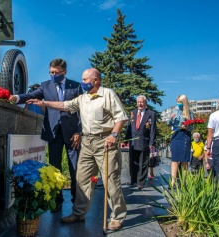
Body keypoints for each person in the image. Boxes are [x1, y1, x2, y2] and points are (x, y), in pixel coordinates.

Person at [27, 68, 128, 231]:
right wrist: (44, 102)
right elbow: (64, 105)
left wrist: (114, 135)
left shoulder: (108, 94)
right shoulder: (83, 98)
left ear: (95, 80)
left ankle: (118, 216)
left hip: (105, 142)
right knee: (82, 179)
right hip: (88, 143)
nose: (82, 83)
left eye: (85, 80)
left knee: (111, 180)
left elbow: (121, 117)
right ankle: (79, 213)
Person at [9, 58, 83, 212]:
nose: (53, 75)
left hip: (72, 135)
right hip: (53, 132)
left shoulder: (76, 87)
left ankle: (77, 201)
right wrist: (16, 98)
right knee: (55, 168)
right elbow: (31, 95)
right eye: (51, 72)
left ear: (64, 72)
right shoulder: (45, 86)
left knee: (75, 168)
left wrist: (79, 131)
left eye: (56, 73)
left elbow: (83, 111)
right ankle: (57, 200)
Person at [124, 95, 156, 189]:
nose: (140, 104)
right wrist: (126, 139)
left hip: (144, 141)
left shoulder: (151, 113)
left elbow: (153, 129)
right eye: (138, 102)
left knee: (143, 162)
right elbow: (129, 127)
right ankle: (133, 180)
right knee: (133, 162)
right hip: (133, 142)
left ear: (145, 103)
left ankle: (141, 182)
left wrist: (152, 142)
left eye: (141, 102)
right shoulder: (132, 113)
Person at [167, 94, 194, 187]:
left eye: (180, 102)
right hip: (176, 135)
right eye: (177, 102)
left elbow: (193, 126)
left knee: (184, 160)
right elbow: (168, 123)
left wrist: (187, 127)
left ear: (184, 102)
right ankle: (173, 181)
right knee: (174, 159)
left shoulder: (190, 113)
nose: (178, 103)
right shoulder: (174, 111)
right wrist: (170, 119)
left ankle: (183, 182)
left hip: (185, 136)